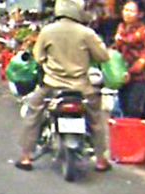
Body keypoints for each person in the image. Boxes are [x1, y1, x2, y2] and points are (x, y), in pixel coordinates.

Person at [14, 0, 111, 172]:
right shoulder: (87, 33)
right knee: (96, 118)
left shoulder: (48, 31)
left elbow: (38, 57)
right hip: (82, 88)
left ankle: (26, 156)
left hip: (52, 86)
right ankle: (101, 160)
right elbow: (103, 56)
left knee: (33, 112)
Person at [114, 0, 145, 118]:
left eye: (131, 11)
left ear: (140, 14)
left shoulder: (144, 31)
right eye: (125, 10)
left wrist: (131, 72)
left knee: (134, 110)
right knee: (122, 108)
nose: (127, 13)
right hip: (122, 75)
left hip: (138, 78)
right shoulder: (121, 27)